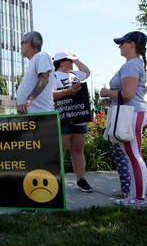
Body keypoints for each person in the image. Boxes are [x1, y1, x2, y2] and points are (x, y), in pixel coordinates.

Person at [100, 31, 147, 206]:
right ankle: (134, 195)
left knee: (134, 156)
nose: (119, 46)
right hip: (134, 113)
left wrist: (107, 92)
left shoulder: (131, 65)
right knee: (132, 156)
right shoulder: (134, 64)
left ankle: (139, 199)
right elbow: (127, 94)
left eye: (122, 43)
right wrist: (110, 99)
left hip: (132, 114)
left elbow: (128, 94)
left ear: (131, 45)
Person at [52, 50, 93, 192]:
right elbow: (50, 95)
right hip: (63, 119)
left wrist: (76, 59)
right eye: (69, 60)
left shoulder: (75, 75)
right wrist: (68, 91)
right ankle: (56, 181)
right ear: (62, 62)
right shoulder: (53, 76)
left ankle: (81, 180)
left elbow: (87, 72)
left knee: (78, 149)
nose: (72, 63)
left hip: (79, 118)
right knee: (60, 151)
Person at [16, 31, 54, 115]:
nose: (21, 47)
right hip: (33, 115)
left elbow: (44, 79)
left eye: (22, 43)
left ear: (28, 43)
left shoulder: (41, 56)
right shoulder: (35, 60)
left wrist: (29, 100)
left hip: (42, 115)